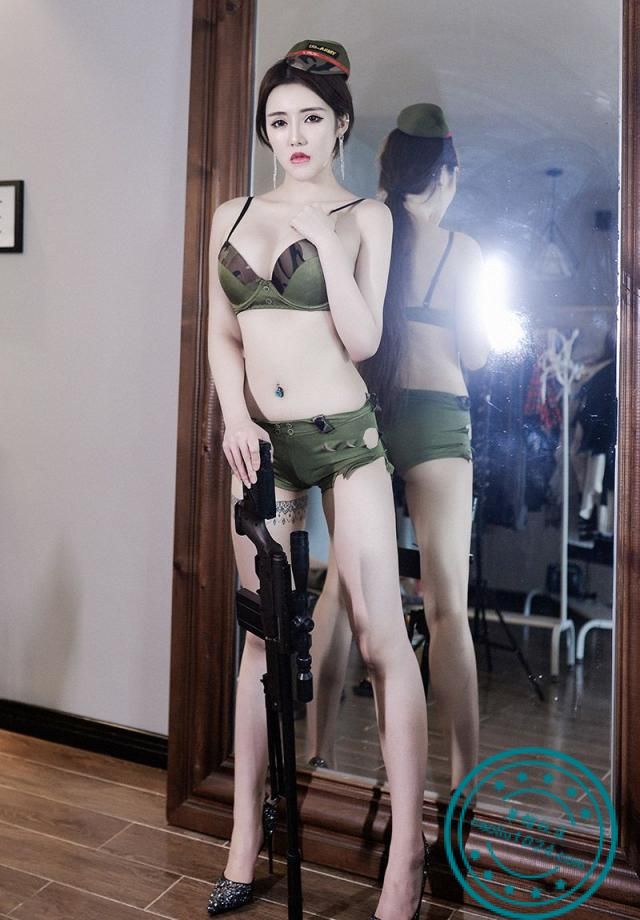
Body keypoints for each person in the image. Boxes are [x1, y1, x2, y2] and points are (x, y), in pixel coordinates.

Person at [207, 42, 429, 920]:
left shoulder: (366, 216)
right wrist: (234, 418)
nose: (293, 135)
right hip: (260, 447)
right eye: (277, 121)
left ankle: (405, 861)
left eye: (310, 118)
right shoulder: (230, 213)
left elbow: (365, 340)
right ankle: (243, 840)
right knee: (261, 639)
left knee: (379, 638)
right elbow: (222, 332)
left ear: (340, 125)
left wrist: (324, 241)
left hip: (345, 441)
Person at [307, 104, 490, 799]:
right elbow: (478, 353)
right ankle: (464, 784)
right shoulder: (463, 251)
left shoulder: (360, 228)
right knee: (447, 608)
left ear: (388, 167)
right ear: (447, 175)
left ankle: (318, 760)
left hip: (367, 412)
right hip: (439, 419)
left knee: (341, 589)